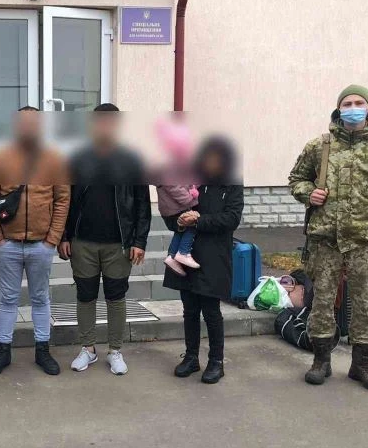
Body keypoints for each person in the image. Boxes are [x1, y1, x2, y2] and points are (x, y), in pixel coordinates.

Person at [289, 85, 368, 392]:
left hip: (365, 241)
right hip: (325, 240)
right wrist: (308, 194)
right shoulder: (320, 146)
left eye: (358, 103)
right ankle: (321, 361)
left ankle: (362, 365)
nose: (353, 108)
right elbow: (296, 179)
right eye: (347, 103)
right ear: (338, 109)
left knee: (364, 304)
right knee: (321, 302)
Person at [58, 103, 151, 375]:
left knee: (116, 297)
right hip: (83, 242)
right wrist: (64, 236)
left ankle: (115, 350)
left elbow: (142, 204)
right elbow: (66, 200)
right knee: (85, 295)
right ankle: (88, 349)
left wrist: (139, 241)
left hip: (118, 244)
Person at [0, 106, 70, 377]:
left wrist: (52, 239)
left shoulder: (54, 158)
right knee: (7, 298)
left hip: (41, 244)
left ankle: (42, 349)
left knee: (40, 298)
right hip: (8, 243)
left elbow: (62, 199)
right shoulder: (0, 157)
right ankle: (3, 350)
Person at [161, 137, 244, 384]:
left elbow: (231, 218)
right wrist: (178, 222)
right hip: (186, 254)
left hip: (214, 256)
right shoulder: (190, 179)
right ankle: (191, 357)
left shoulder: (231, 182)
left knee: (211, 311)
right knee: (189, 310)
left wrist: (198, 220)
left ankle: (216, 361)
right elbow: (173, 212)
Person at [153, 114, 201, 275]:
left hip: (175, 206)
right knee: (192, 224)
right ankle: (183, 252)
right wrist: (189, 198)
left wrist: (195, 186)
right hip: (175, 207)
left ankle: (172, 256)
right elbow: (172, 185)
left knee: (181, 229)